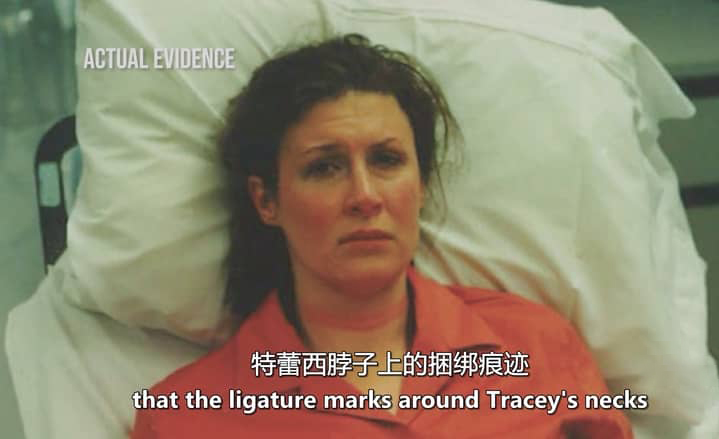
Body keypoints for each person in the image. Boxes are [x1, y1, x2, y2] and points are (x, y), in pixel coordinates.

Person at [130, 34, 633, 438]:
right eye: (325, 167)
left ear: (421, 185)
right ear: (267, 201)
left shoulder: (536, 347)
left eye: (386, 160)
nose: (365, 196)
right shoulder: (183, 418)